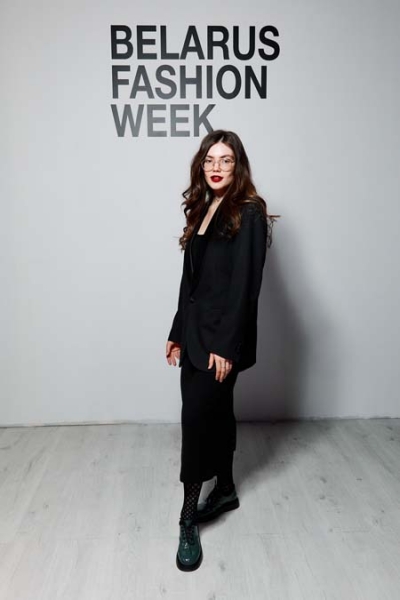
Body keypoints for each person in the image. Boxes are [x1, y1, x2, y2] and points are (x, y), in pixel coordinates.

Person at [166, 130, 276, 572]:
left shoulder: (249, 212)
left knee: (196, 422)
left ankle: (187, 518)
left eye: (226, 160)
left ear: (238, 166)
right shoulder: (204, 207)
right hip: (194, 334)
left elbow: (246, 286)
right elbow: (190, 282)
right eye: (210, 159)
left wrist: (227, 346)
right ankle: (226, 489)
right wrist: (177, 330)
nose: (216, 167)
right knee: (216, 413)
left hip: (221, 342)